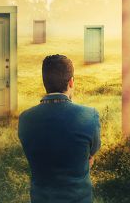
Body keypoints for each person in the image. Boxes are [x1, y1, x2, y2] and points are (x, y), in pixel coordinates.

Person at [19, 54, 101, 203]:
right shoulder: (90, 115)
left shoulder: (25, 118)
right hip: (78, 198)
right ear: (71, 82)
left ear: (45, 82)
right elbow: (92, 152)